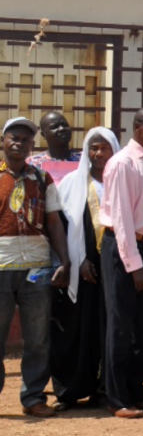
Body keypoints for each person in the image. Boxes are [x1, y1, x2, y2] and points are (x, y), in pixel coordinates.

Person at [99, 109, 143, 419]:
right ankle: (117, 398)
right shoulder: (122, 163)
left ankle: (136, 392)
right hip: (126, 249)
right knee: (121, 326)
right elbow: (121, 218)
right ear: (138, 128)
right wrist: (134, 264)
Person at [0, 117, 71, 417]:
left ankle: (33, 397)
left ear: (32, 145)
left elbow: (54, 222)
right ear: (3, 142)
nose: (19, 143)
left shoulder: (43, 179)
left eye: (26, 139)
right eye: (14, 137)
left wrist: (64, 260)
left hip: (37, 269)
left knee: (38, 338)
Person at [52, 127, 119, 411]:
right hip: (83, 267)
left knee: (110, 328)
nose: (99, 153)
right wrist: (78, 260)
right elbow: (62, 225)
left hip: (116, 265)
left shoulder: (123, 180)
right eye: (94, 147)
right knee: (78, 328)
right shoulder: (71, 182)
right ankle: (71, 391)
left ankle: (105, 390)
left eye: (105, 147)